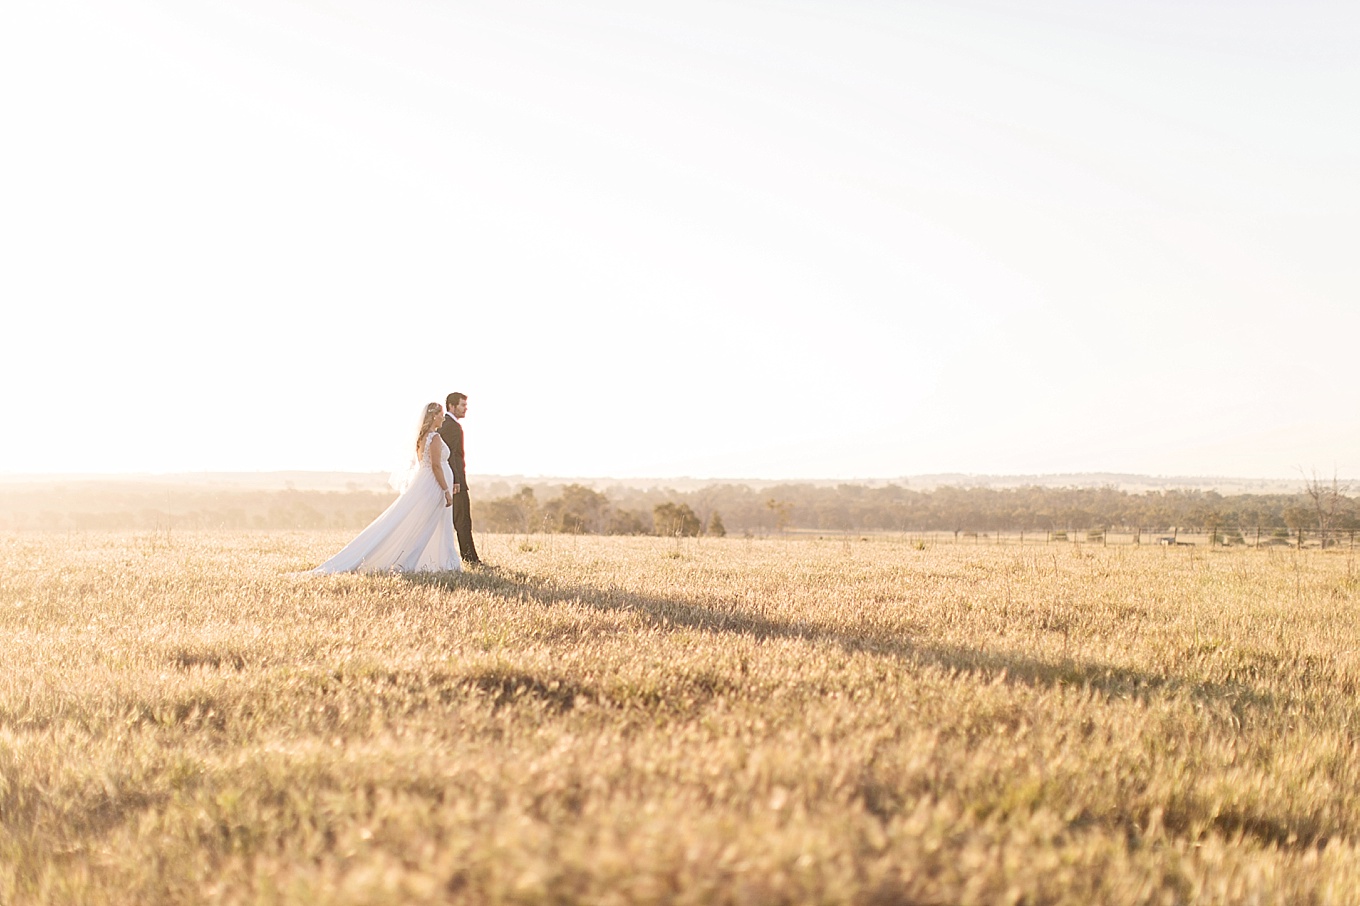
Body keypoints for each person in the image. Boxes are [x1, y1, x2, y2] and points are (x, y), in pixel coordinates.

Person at [312, 403, 462, 574]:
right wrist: (445, 490)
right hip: (435, 486)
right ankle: (412, 563)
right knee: (428, 525)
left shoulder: (423, 437)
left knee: (433, 524)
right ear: (434, 416)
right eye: (441, 414)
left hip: (427, 483)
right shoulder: (434, 438)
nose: (443, 418)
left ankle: (438, 560)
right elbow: (435, 466)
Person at [439, 391, 481, 565]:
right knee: (463, 520)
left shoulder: (445, 424)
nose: (466, 409)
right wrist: (456, 480)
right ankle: (470, 559)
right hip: (455, 480)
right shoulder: (452, 426)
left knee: (460, 519)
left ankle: (469, 557)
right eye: (462, 405)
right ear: (451, 406)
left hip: (450, 478)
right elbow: (452, 456)